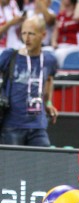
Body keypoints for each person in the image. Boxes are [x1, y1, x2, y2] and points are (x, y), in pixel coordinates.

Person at [0, 16, 58, 146]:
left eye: (31, 33)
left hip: (38, 125)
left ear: (43, 35)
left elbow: (49, 79)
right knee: (13, 165)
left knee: (43, 162)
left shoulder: (49, 59)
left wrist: (48, 102)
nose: (26, 38)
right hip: (12, 125)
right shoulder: (10, 55)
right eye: (24, 33)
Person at [51, 0, 79, 67]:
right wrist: (54, 42)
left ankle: (61, 75)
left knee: (59, 54)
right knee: (46, 51)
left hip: (76, 45)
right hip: (61, 45)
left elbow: (77, 17)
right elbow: (55, 31)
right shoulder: (61, 15)